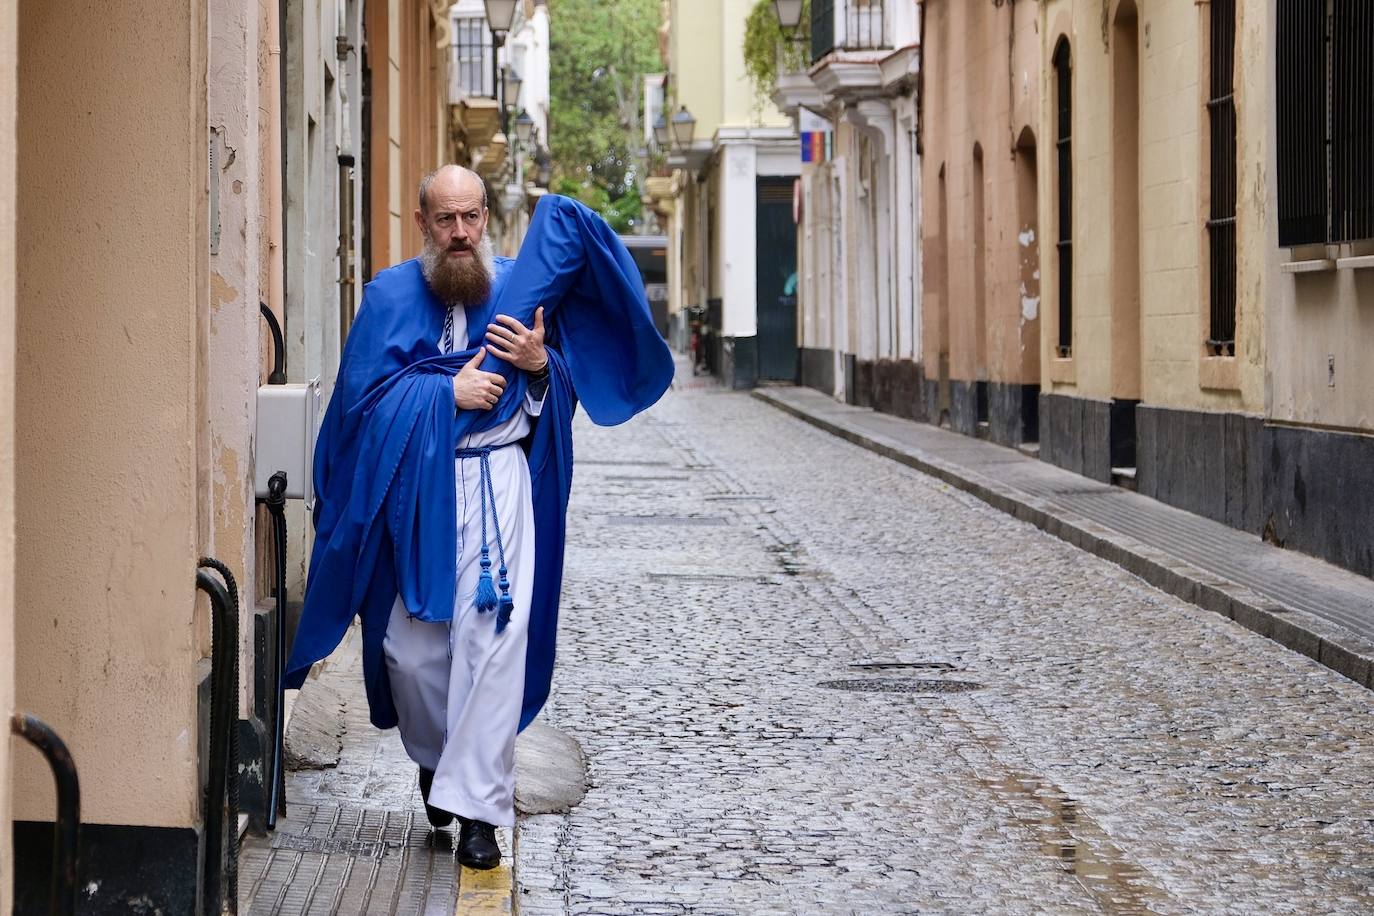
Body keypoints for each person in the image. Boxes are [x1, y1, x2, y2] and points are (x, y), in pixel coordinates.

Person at [284, 165, 673, 870]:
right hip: (416, 491)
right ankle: (439, 765)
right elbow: (356, 416)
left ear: (486, 217)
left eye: (471, 217)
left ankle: (479, 817)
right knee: (412, 653)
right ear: (422, 223)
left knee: (494, 648)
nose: (460, 233)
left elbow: (556, 402)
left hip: (499, 485)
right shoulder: (387, 297)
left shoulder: (521, 288)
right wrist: (444, 394)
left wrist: (537, 369)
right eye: (445, 220)